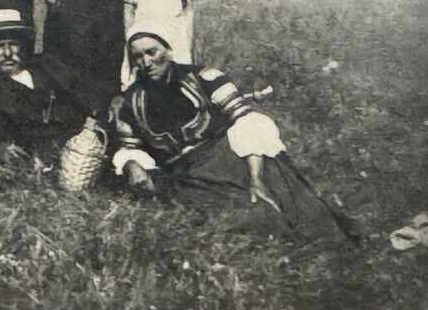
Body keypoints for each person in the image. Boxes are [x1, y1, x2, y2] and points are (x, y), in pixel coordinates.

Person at [109, 28, 358, 240]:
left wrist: (256, 178)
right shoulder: (129, 101)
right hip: (187, 176)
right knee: (252, 216)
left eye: (152, 52)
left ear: (168, 50)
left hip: (232, 155)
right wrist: (132, 164)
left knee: (289, 199)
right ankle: (283, 250)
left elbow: (247, 119)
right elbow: (130, 147)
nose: (146, 62)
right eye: (138, 56)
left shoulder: (203, 77)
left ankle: (326, 244)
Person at [0, 10, 100, 166]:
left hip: (72, 158)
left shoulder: (49, 70)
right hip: (21, 162)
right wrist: (0, 148)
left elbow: (83, 104)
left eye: (13, 44)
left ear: (23, 46)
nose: (7, 53)